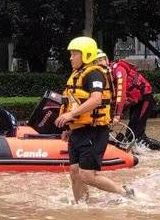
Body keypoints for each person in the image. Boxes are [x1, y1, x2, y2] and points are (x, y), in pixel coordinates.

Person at [54, 37, 134, 203]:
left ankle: (125, 192)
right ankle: (82, 207)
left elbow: (96, 99)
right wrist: (70, 127)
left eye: (74, 54)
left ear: (86, 55)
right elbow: (74, 101)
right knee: (74, 171)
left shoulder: (95, 73)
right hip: (79, 130)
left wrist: (70, 115)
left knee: (87, 175)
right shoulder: (78, 74)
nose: (70, 58)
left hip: (94, 131)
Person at [96, 50, 160, 149]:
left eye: (101, 60)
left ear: (106, 60)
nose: (100, 63)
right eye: (96, 61)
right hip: (134, 101)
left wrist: (117, 115)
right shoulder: (100, 75)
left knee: (134, 135)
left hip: (145, 98)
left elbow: (121, 93)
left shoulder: (118, 70)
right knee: (133, 134)